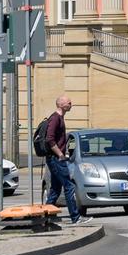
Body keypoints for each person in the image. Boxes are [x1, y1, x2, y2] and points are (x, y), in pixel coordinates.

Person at [38, 95, 87, 225]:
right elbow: (49, 139)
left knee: (54, 190)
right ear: (61, 104)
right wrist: (60, 154)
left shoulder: (59, 118)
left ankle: (45, 219)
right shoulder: (55, 119)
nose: (71, 103)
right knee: (69, 186)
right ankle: (75, 218)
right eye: (68, 102)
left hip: (54, 159)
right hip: (56, 159)